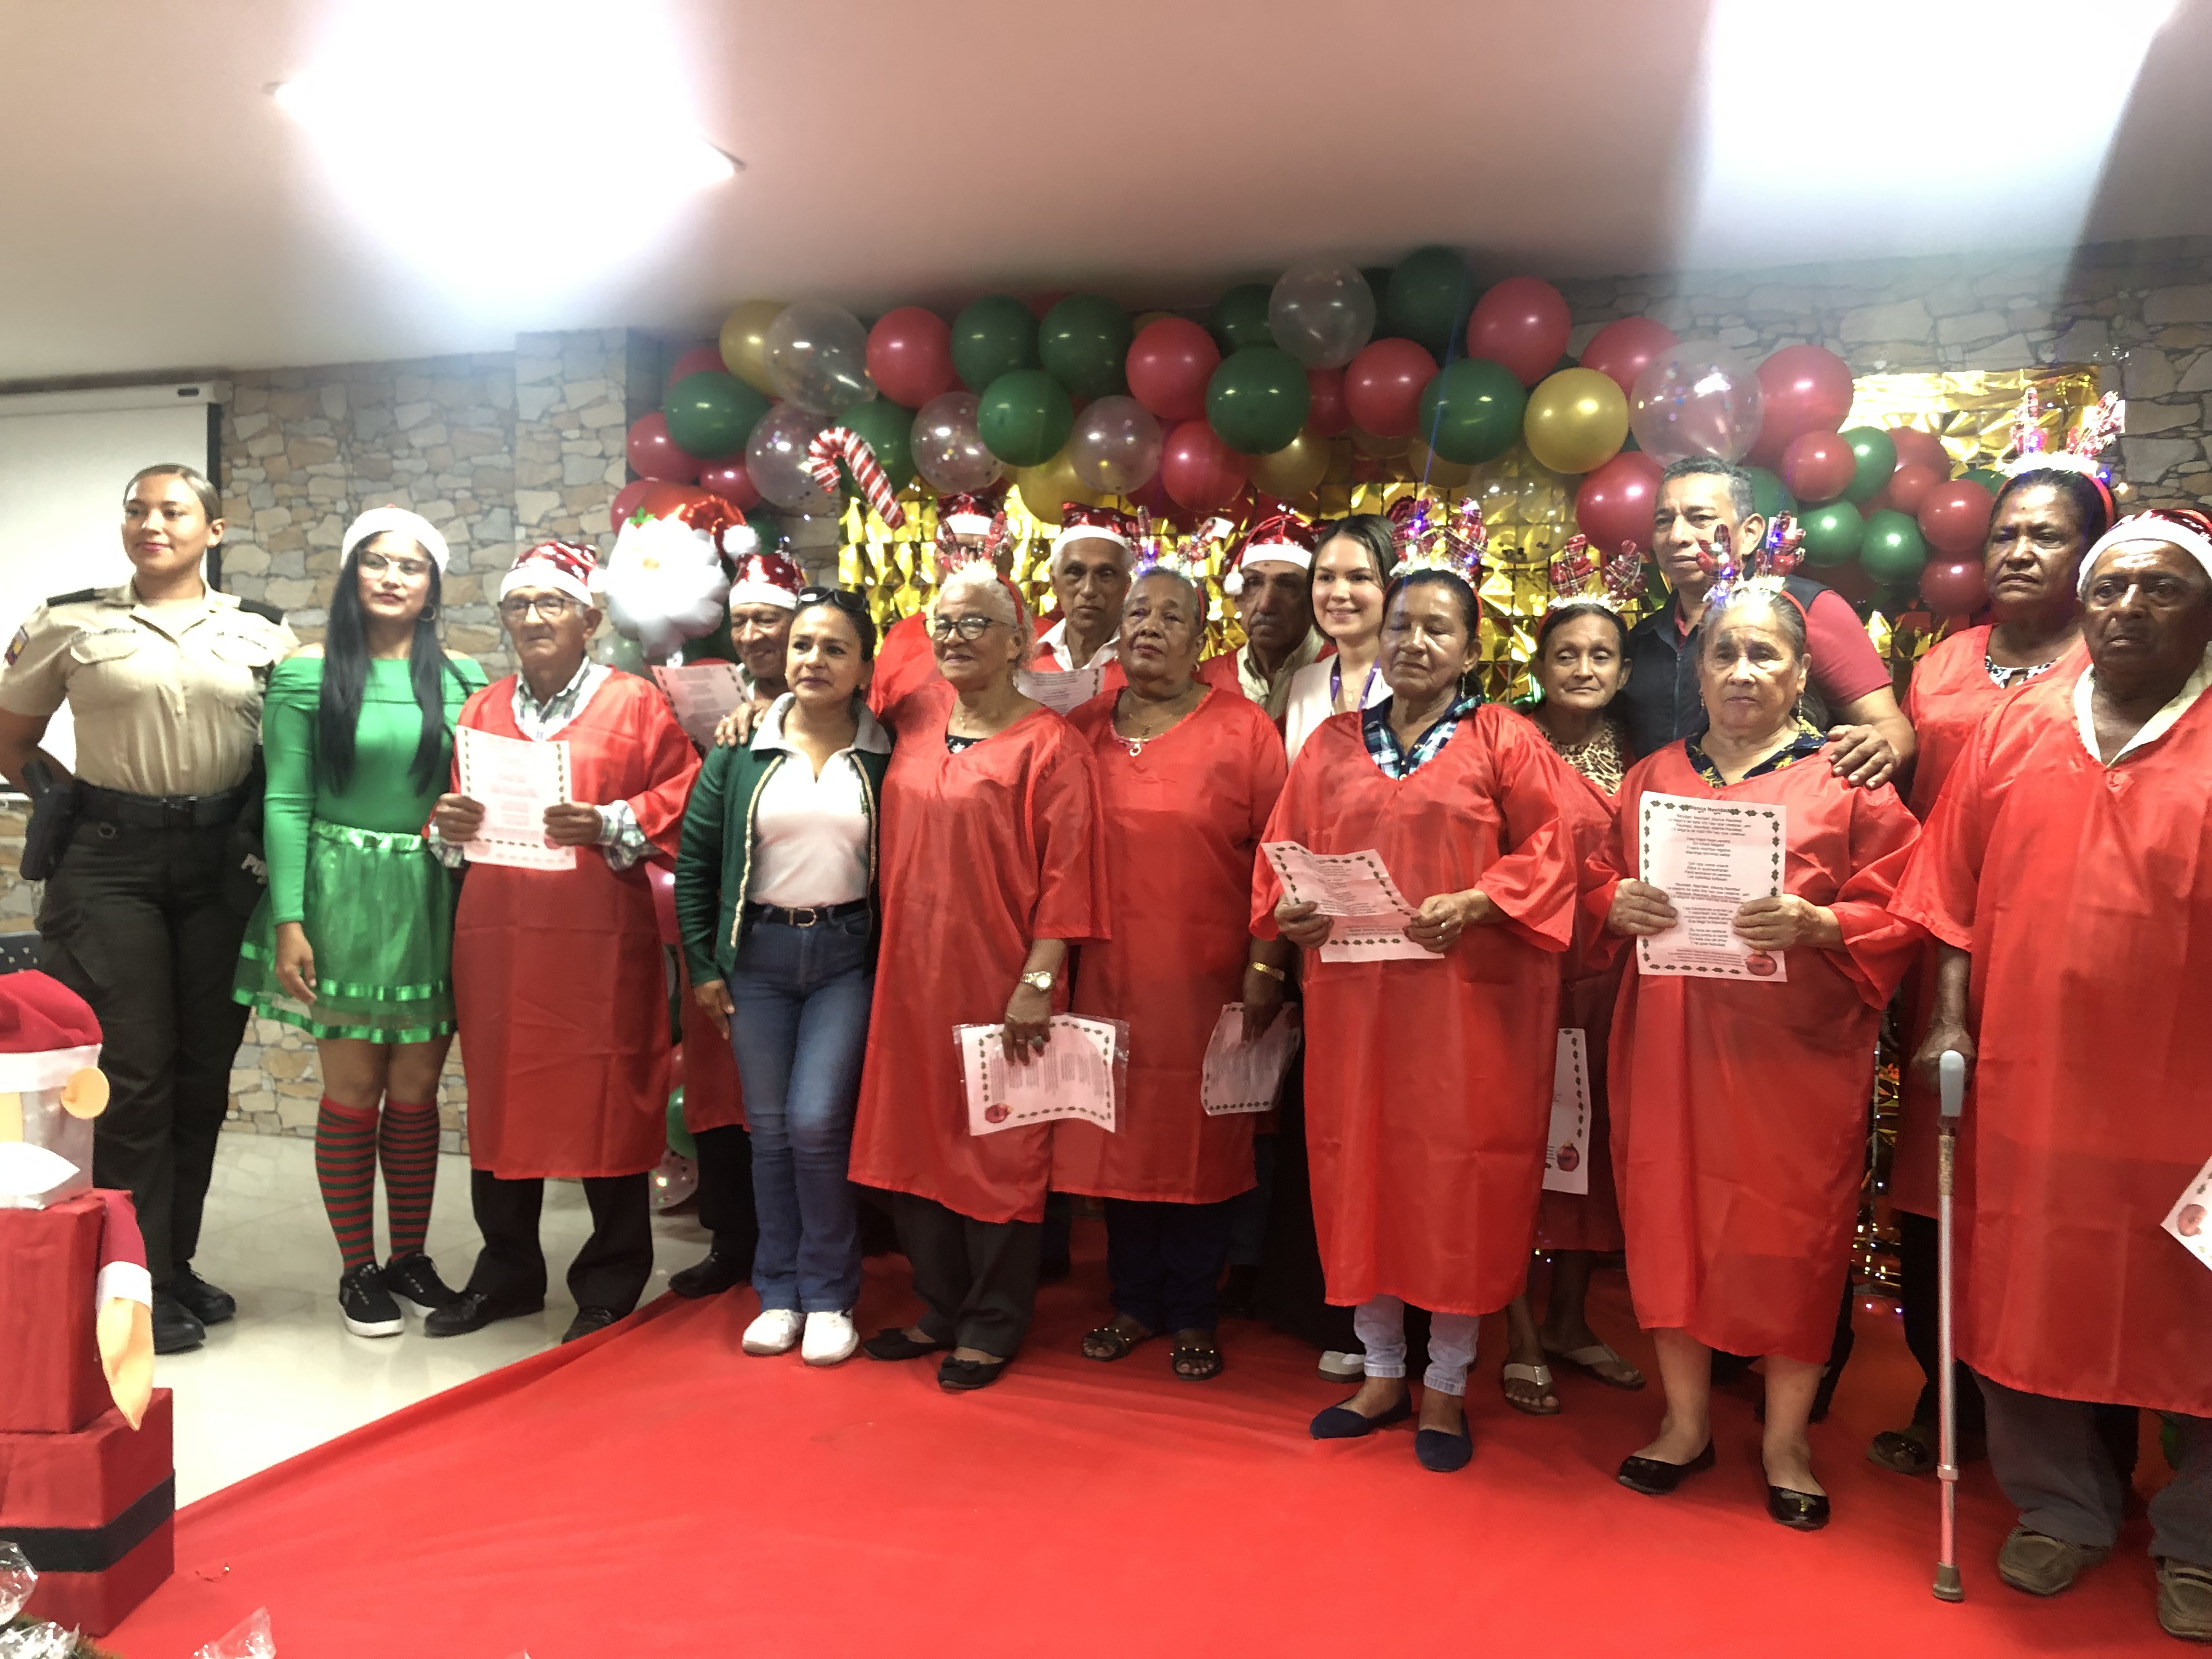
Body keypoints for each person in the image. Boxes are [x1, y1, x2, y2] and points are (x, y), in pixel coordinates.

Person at [1893, 510, 2212, 1640]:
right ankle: (2061, 1506)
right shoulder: (2019, 724)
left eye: (2160, 589)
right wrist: (1946, 1021)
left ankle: (2198, 1535)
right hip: (2030, 1075)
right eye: (2109, 587)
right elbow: (1951, 893)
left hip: (2189, 1092)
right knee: (2027, 1286)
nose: (2125, 609)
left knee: (2196, 1305)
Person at [1593, 569, 1921, 1531]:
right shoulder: (1652, 777)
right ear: (1698, 671)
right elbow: (1597, 878)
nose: (1742, 670)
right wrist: (1611, 901)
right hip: (1667, 1044)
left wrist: (1825, 923)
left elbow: (1907, 900)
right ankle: (1684, 1421)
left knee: (1792, 1240)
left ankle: (1785, 1441)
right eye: (1724, 653)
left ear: (1800, 673)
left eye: (1764, 653)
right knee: (1670, 1221)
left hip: (1795, 1060)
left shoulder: (1845, 779)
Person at [1253, 523, 1583, 1474]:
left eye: (1439, 629)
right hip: (1357, 1008)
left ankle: (1446, 1379)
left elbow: (1556, 851)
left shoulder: (1503, 739)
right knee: (1361, 1170)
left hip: (1467, 1008)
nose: (1414, 643)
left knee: (1456, 1182)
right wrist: (1291, 911)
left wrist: (1479, 900)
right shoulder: (1329, 744)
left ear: (1471, 649)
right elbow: (1281, 857)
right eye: (1402, 626)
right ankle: (1381, 1370)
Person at [0, 463, 296, 1353]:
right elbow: (12, 736)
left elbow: (292, 751)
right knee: (133, 1076)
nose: (152, 523)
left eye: (173, 510)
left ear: (214, 529)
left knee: (202, 1073)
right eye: (137, 510)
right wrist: (63, 804)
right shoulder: (70, 622)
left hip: (220, 865)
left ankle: (174, 1260)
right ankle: (135, 1282)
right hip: (109, 865)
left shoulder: (263, 632)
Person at [1867, 462, 2106, 1476]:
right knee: (1938, 1179)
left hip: (2065, 950)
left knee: (2056, 1184)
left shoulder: (2108, 662)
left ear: (2088, 555)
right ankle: (1948, 1391)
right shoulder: (1940, 665)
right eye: (2006, 533)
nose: (2018, 551)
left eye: (2046, 535)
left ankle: (2076, 1424)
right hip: (1941, 948)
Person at [425, 541, 700, 1344]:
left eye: (552, 604)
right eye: (519, 605)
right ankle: (507, 1272)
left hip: (597, 936)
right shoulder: (482, 710)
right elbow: (456, 820)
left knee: (609, 1095)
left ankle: (610, 1280)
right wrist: (446, 824)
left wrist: (613, 821)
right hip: (498, 938)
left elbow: (685, 795)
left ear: (590, 620)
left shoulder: (636, 703)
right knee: (501, 1099)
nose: (534, 618)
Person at [848, 555, 1108, 1392]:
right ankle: (941, 1305)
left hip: (1001, 979)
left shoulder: (1051, 746)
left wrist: (1039, 980)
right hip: (909, 980)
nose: (954, 637)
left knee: (999, 1152)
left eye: (974, 624)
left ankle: (993, 1322)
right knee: (914, 1142)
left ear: (1018, 642)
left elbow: (1071, 877)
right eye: (944, 623)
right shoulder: (916, 717)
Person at [230, 508, 486, 1336]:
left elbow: (477, 792)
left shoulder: (464, 678)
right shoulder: (306, 674)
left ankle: (409, 1258)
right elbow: (285, 800)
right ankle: (358, 1269)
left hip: (431, 894)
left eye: (411, 566)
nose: (392, 577)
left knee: (415, 1091)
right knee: (352, 1089)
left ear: (432, 587)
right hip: (339, 892)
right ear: (351, 575)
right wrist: (291, 919)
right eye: (376, 561)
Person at [1052, 560, 1290, 1381]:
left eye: (1171, 617)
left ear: (1199, 639)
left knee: (1202, 1144)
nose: (1150, 628)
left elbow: (1279, 856)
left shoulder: (1243, 731)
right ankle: (1134, 1300)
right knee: (1116, 1141)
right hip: (1101, 976)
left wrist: (1267, 965)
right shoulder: (1080, 728)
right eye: (1138, 614)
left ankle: (1194, 1309)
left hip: (1208, 978)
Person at [676, 586, 889, 1367]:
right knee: (767, 1132)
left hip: (845, 958)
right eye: (802, 645)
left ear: (864, 667)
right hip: (758, 958)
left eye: (835, 648)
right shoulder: (741, 747)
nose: (813, 660)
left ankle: (830, 1294)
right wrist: (704, 965)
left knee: (816, 1123)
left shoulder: (886, 751)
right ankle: (780, 1292)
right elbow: (697, 862)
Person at [1498, 548, 1647, 1414]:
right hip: (1522, 973)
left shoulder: (1648, 758)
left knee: (1590, 1149)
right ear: (1540, 664)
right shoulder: (1502, 742)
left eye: (1601, 656)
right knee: (1515, 1142)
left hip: (1610, 980)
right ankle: (1517, 1330)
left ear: (1624, 671)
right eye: (1566, 654)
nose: (1584, 668)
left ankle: (1568, 1321)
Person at [669, 545, 811, 1302]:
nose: (754, 635)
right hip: (728, 932)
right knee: (723, 1092)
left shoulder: (846, 710)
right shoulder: (713, 712)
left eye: (770, 621)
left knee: (806, 1102)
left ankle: (813, 1245)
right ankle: (733, 1240)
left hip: (812, 937)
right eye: (743, 621)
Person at [1618, 457, 1914, 785]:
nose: (1677, 536)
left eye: (1700, 518)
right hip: (1663, 812)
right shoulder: (1644, 636)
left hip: (1786, 807)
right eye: (1663, 521)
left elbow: (1887, 724)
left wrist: (1882, 750)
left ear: (1750, 533)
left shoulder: (1807, 608)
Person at [867, 493, 1011, 715]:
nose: (969, 562)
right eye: (956, 550)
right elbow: (879, 717)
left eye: (985, 551)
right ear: (935, 565)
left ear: (1008, 564)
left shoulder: (1042, 639)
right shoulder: (902, 638)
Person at [1282, 513, 1396, 762]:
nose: (1338, 593)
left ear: (1394, 584)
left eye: (1359, 578)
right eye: (1326, 578)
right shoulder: (1303, 683)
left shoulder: (1414, 682)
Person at [1196, 516, 1328, 722]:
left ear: (1313, 597)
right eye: (1253, 583)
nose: (1266, 605)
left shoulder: (1344, 676)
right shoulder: (1204, 682)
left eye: (1287, 585)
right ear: (1237, 598)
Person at [1031, 505, 1133, 674]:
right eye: (1075, 572)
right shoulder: (1025, 661)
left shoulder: (1142, 665)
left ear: (1127, 584)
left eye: (1106, 574)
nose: (1088, 590)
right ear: (1054, 582)